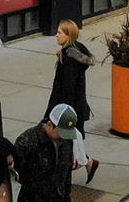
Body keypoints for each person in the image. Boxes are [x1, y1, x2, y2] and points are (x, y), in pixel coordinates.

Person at [44, 22, 98, 184]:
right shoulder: (74, 51)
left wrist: (62, 114)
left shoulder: (69, 60)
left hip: (68, 108)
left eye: (60, 33)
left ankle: (72, 169)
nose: (56, 35)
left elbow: (67, 88)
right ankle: (86, 162)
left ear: (69, 36)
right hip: (75, 107)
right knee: (71, 140)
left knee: (61, 140)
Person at [12, 104, 78, 202]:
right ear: (50, 125)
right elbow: (14, 178)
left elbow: (66, 176)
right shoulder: (27, 142)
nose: (64, 138)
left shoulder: (67, 142)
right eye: (61, 133)